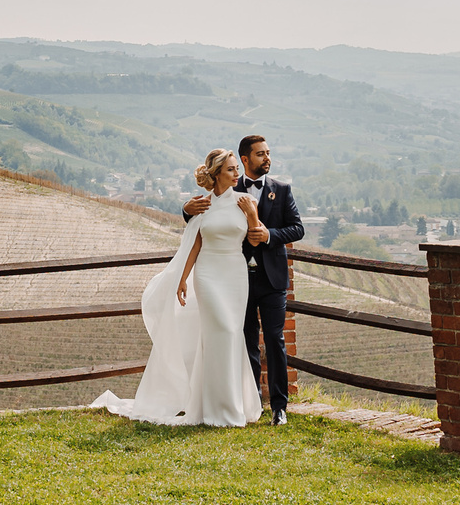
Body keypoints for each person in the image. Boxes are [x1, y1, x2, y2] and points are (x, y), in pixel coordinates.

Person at [91, 149, 263, 428]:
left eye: (236, 169)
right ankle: (215, 409)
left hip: (235, 274)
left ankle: (232, 405)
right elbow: (195, 244)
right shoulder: (202, 205)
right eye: (231, 169)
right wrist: (182, 279)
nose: (237, 174)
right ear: (217, 173)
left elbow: (255, 241)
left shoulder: (246, 201)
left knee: (232, 334)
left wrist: (253, 214)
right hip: (207, 274)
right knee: (218, 333)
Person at [181, 134, 304, 425]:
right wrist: (185, 210)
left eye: (268, 152)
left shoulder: (282, 190)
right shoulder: (225, 191)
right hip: (235, 278)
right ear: (245, 159)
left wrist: (270, 235)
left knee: (274, 339)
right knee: (244, 339)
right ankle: (251, 403)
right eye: (260, 154)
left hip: (271, 278)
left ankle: (279, 407)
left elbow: (297, 229)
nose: (267, 158)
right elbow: (200, 224)